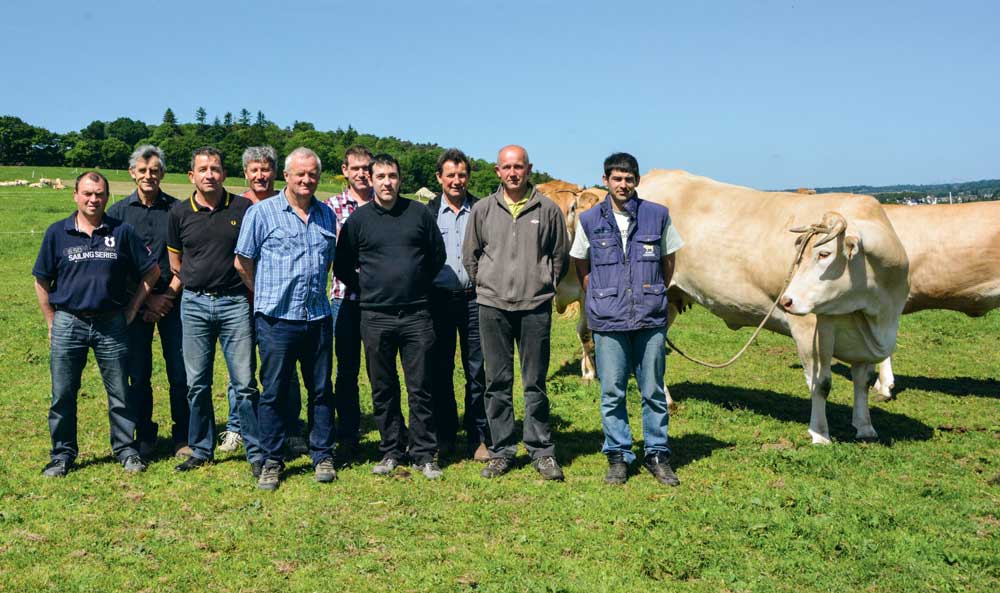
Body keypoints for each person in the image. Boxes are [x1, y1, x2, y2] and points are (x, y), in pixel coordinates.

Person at [33, 171, 160, 477]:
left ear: (107, 197)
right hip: (69, 322)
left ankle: (125, 450)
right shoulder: (57, 232)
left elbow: (151, 272)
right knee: (63, 393)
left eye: (99, 194)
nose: (93, 199)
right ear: (75, 195)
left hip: (111, 324)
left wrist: (131, 309)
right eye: (87, 193)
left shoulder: (122, 231)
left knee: (120, 392)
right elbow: (41, 278)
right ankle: (62, 454)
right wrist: (51, 320)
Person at [570, 153, 682, 486]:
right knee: (612, 391)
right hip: (608, 319)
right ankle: (618, 455)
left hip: (649, 317)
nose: (623, 184)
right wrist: (601, 291)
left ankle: (657, 453)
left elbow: (668, 260)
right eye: (617, 178)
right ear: (605, 181)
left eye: (629, 178)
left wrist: (652, 290)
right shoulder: (590, 219)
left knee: (652, 391)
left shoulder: (657, 216)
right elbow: (581, 262)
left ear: (636, 181)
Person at [334, 154, 446, 479]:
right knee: (382, 387)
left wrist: (416, 285)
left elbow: (436, 257)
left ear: (400, 179)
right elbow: (342, 266)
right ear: (370, 179)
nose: (387, 182)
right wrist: (368, 289)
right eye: (380, 176)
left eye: (392, 176)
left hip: (416, 315)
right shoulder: (359, 220)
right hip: (375, 316)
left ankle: (424, 453)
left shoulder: (419, 214)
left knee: (420, 386)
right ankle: (391, 450)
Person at [462, 145, 569, 480]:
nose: (513, 173)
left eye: (518, 167)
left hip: (534, 307)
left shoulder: (548, 210)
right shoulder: (482, 210)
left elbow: (559, 255)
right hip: (492, 306)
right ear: (497, 171)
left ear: (528, 169)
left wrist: (540, 283)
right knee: (497, 381)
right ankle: (502, 449)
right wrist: (489, 284)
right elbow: (472, 256)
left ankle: (541, 450)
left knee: (535, 382)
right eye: (506, 167)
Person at [235, 147, 338, 490]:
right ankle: (272, 459)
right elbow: (243, 261)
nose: (307, 180)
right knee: (274, 392)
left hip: (318, 317)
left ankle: (322, 454)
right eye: (300, 174)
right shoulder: (262, 214)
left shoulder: (326, 216)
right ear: (287, 176)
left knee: (321, 390)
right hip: (277, 320)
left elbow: (329, 261)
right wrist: (264, 294)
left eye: (313, 175)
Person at [167, 147, 264, 477]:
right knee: (197, 384)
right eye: (203, 169)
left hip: (235, 304)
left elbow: (252, 255)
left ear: (224, 174)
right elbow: (175, 262)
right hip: (193, 305)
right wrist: (194, 283)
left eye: (216, 168)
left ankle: (255, 451)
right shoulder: (180, 213)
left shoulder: (243, 208)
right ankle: (202, 449)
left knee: (245, 383)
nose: (210, 174)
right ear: (191, 175)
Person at [223, 145, 308, 458]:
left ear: (276, 173)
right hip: (242, 300)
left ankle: (292, 426)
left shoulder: (288, 203)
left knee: (286, 367)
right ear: (245, 173)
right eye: (254, 170)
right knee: (242, 368)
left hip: (283, 305)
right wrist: (257, 291)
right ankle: (237, 427)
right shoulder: (235, 206)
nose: (260, 175)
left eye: (265, 169)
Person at [107, 145, 191, 459]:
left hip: (174, 301)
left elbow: (187, 257)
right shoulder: (117, 213)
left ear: (162, 174)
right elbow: (113, 265)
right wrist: (142, 301)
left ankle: (183, 434)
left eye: (154, 170)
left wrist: (167, 295)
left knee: (180, 372)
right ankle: (145, 434)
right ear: (132, 173)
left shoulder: (177, 209)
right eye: (142, 171)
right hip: (134, 305)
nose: (148, 176)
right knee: (138, 373)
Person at [425, 148, 489, 461]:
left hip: (475, 299)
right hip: (439, 300)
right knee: (440, 369)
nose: (456, 181)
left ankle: (478, 438)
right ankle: (445, 435)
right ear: (439, 178)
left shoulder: (481, 209)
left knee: (477, 370)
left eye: (461, 175)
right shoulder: (428, 212)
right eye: (450, 175)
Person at [324, 145, 374, 459]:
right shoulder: (331, 208)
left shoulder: (383, 204)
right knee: (346, 369)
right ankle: (348, 432)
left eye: (366, 168)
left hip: (380, 302)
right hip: (343, 299)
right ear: (345, 170)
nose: (361, 173)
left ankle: (391, 429)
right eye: (355, 168)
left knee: (382, 369)